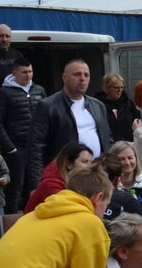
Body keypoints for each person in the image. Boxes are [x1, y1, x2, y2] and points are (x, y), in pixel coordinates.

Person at [28, 59, 113, 190]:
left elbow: (108, 139)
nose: (82, 79)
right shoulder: (47, 106)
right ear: (64, 77)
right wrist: (36, 185)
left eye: (86, 75)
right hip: (64, 178)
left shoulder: (98, 105)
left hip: (97, 176)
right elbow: (36, 148)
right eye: (77, 74)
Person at [0, 57, 45, 211]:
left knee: (36, 183)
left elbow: (46, 118)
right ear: (14, 73)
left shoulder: (39, 90)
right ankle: (12, 218)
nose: (28, 75)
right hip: (17, 146)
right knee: (16, 186)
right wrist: (10, 148)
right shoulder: (4, 92)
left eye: (30, 72)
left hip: (36, 146)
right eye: (24, 72)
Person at [25, 141, 94, 211]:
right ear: (69, 164)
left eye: (91, 162)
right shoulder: (51, 185)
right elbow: (68, 210)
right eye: (84, 162)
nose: (90, 167)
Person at [110, 141, 142, 217]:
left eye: (130, 158)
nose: (127, 162)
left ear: (136, 159)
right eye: (121, 159)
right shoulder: (107, 184)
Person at [97, 73, 142, 145]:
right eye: (116, 88)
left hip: (128, 146)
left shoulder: (129, 104)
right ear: (107, 88)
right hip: (108, 147)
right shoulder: (98, 105)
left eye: (122, 87)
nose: (120, 90)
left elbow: (138, 122)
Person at [0, 24, 25, 93]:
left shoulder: (17, 54)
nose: (4, 39)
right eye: (1, 36)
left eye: (7, 36)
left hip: (16, 94)